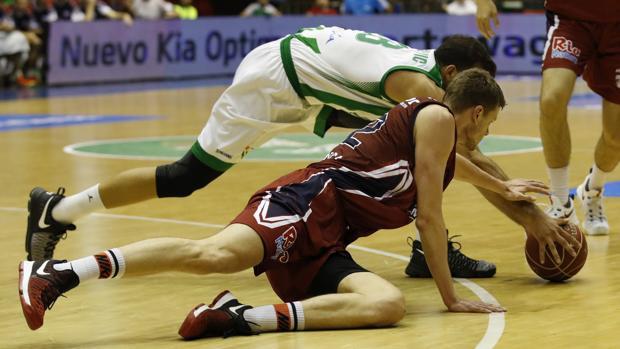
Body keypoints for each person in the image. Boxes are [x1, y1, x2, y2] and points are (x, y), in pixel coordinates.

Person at [24, 26, 575, 281]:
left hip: (316, 87)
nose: (478, 111)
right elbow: (459, 157)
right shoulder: (421, 91)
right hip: (278, 81)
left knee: (403, 162)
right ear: (452, 76)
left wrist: (516, 200)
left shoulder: (432, 77)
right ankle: (59, 210)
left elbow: (455, 155)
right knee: (186, 175)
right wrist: (528, 214)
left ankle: (423, 249)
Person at [20, 69, 539, 336]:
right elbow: (429, 215)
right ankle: (58, 273)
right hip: (306, 202)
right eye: (489, 124)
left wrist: (503, 187)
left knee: (387, 304)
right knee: (214, 255)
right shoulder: (438, 119)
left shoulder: (434, 128)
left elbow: (449, 165)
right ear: (474, 113)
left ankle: (236, 317)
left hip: (328, 234)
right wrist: (452, 298)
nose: (486, 134)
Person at [539, 1, 620, 236]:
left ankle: (592, 190)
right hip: (570, 18)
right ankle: (560, 202)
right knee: (551, 100)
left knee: (615, 139)